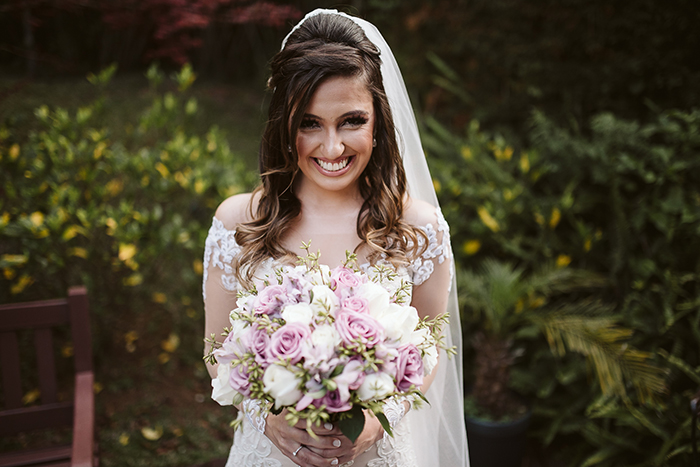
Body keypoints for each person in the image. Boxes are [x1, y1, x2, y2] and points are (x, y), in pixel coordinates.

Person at [203, 9, 469, 467]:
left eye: (351, 121)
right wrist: (266, 417)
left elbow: (428, 354)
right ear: (283, 124)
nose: (332, 148)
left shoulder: (419, 230)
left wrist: (379, 418)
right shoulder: (238, 222)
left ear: (377, 121)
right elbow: (216, 351)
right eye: (309, 123)